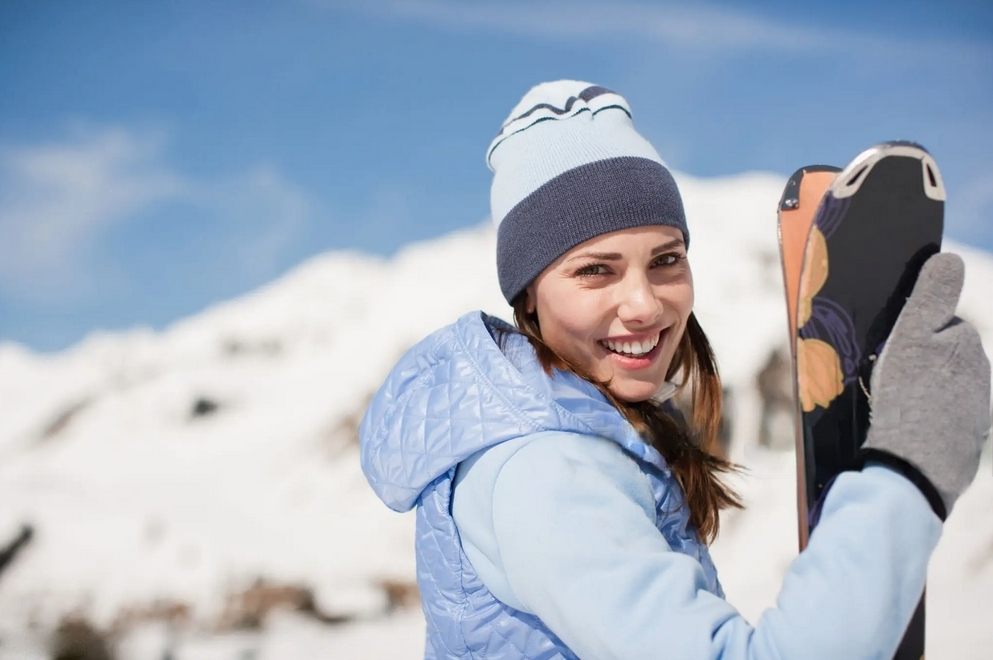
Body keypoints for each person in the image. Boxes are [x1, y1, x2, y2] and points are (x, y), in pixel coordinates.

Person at [359, 81, 991, 659]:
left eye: (666, 260)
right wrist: (908, 474)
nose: (643, 304)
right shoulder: (541, 474)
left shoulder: (583, 443)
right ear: (527, 294)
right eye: (595, 270)